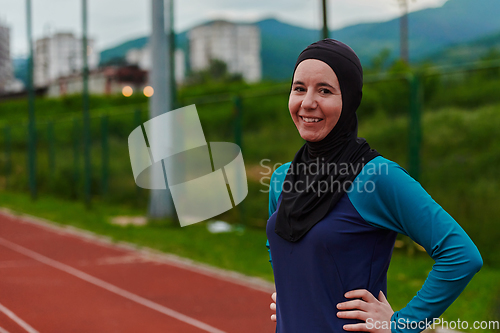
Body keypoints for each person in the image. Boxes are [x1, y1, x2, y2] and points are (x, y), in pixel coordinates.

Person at [265, 39, 483, 333]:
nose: (307, 102)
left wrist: (401, 324)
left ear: (351, 99)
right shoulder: (281, 178)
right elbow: (278, 246)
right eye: (299, 88)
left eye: (325, 90)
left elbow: (461, 255)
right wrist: (293, 292)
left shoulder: (376, 176)